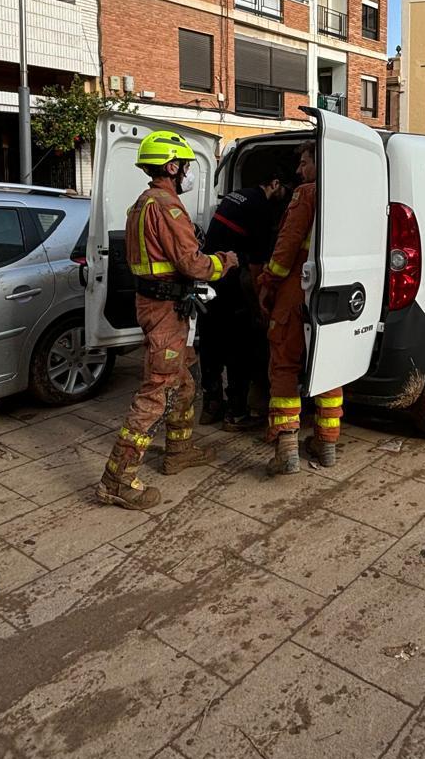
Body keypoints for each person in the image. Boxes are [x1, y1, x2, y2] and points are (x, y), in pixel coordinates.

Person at [97, 130, 237, 511]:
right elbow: (193, 264)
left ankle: (179, 450)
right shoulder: (168, 208)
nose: (190, 173)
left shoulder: (141, 204)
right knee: (155, 393)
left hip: (158, 306)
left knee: (185, 382)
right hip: (165, 314)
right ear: (172, 167)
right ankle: (117, 479)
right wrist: (224, 262)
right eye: (187, 166)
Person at [258, 144, 342, 474]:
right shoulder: (355, 193)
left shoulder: (307, 193)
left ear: (318, 163)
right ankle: (327, 442)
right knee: (331, 366)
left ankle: (287, 446)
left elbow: (287, 246)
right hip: (338, 292)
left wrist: (268, 281)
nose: (299, 170)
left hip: (298, 290)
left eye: (304, 162)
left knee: (284, 364)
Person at [198, 168, 292, 428]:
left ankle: (211, 404)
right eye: (283, 191)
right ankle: (237, 412)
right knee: (238, 347)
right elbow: (255, 269)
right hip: (230, 282)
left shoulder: (235, 196)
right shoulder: (260, 207)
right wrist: (259, 306)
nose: (284, 197)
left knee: (210, 343)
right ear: (274, 182)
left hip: (210, 280)